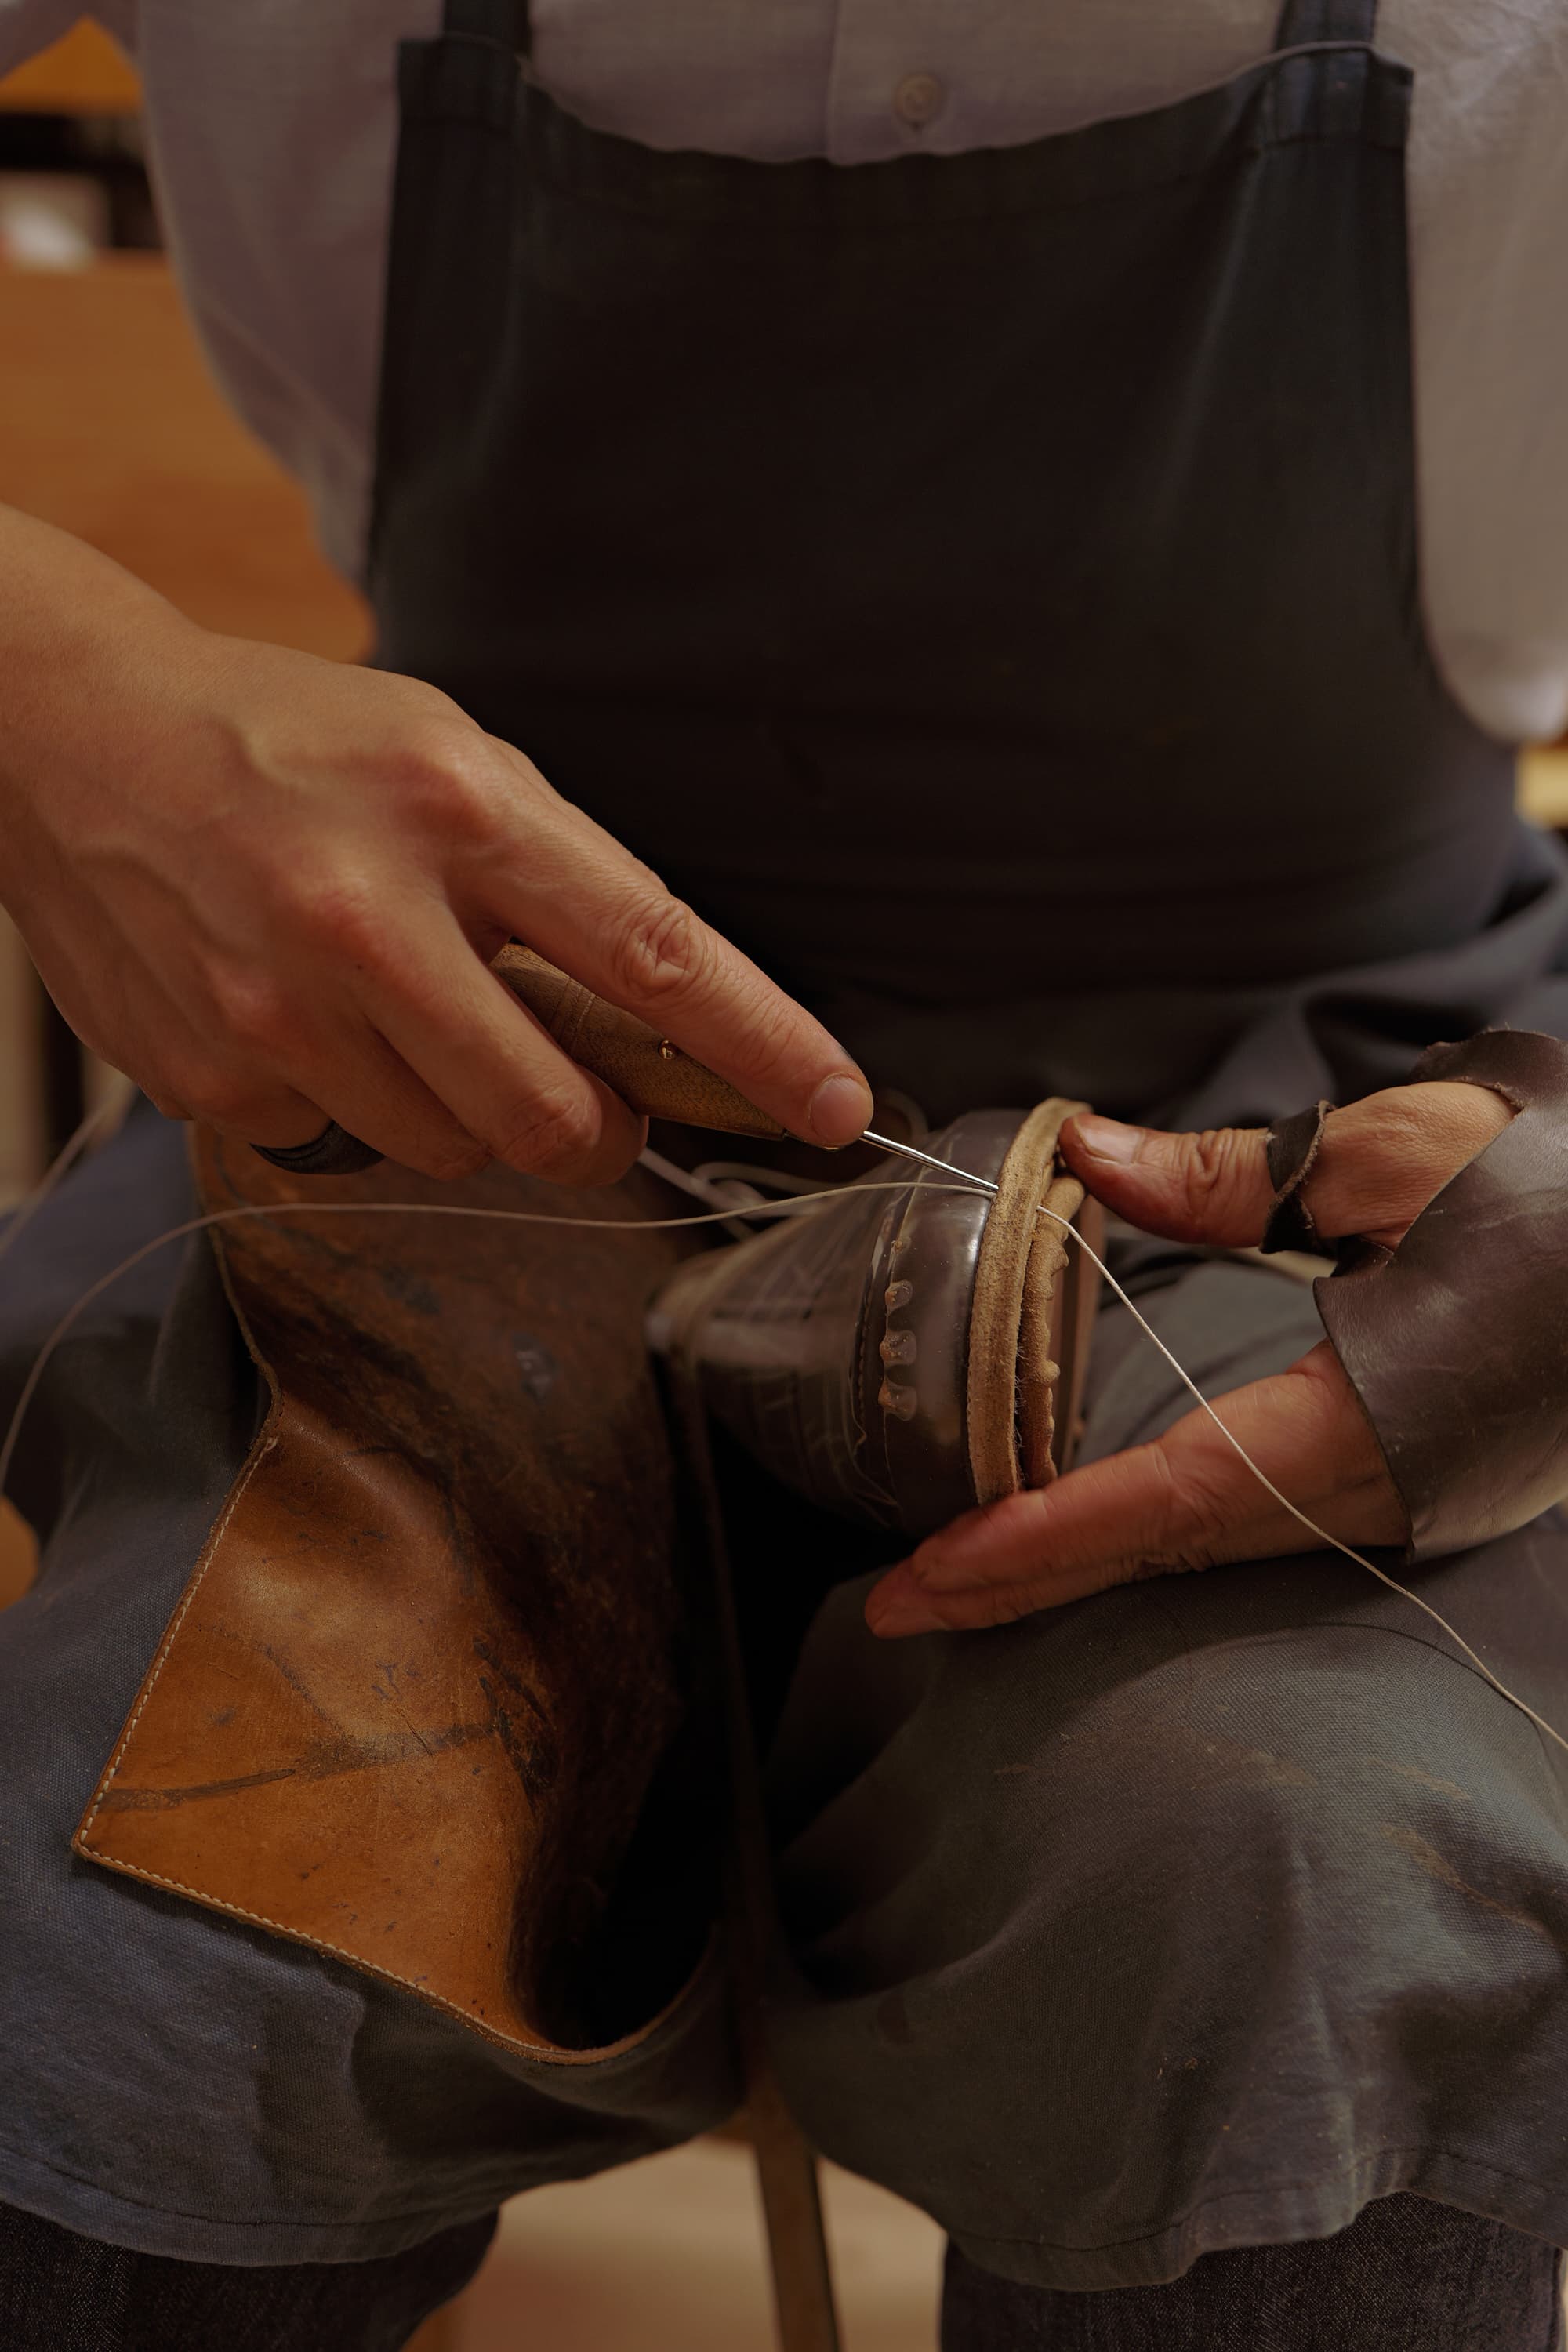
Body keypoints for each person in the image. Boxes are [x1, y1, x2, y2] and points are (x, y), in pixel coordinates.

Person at [2, 2, 1568, 2345]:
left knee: (1303, 1886)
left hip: (1332, 1142)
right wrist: (56, 690)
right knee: (121, 1971)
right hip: (459, 1112)